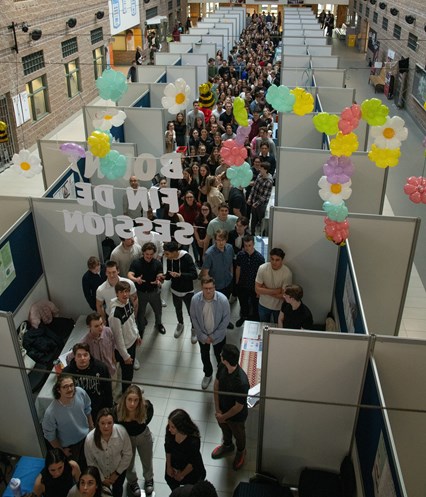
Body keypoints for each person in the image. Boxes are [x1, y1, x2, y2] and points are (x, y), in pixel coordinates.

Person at [211, 344, 249, 471]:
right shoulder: (222, 367)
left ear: (225, 359)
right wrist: (218, 410)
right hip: (221, 410)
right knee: (225, 430)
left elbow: (238, 407)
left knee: (239, 435)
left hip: (236, 417)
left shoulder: (242, 382)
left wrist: (224, 416)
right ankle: (227, 445)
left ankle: (241, 451)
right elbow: (216, 385)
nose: (220, 355)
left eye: (222, 354)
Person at [42, 374, 93, 466]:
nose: (69, 389)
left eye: (71, 385)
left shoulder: (80, 392)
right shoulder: (51, 412)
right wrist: (61, 451)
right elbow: (49, 435)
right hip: (71, 447)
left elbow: (87, 409)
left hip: (87, 436)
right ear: (58, 390)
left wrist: (91, 427)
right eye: (65, 387)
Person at [190, 277, 230, 390]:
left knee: (221, 357)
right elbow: (193, 318)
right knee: (204, 356)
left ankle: (222, 376)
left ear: (214, 287)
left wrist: (213, 336)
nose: (208, 291)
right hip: (203, 336)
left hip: (219, 336)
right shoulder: (195, 300)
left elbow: (226, 320)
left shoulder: (223, 300)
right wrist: (203, 336)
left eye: (211, 288)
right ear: (201, 288)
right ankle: (208, 374)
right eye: (205, 288)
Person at [115, 385, 154, 497]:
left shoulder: (146, 407)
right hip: (126, 439)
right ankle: (132, 482)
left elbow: (149, 417)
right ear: (125, 399)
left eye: (136, 400)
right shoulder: (118, 410)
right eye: (130, 400)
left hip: (143, 436)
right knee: (128, 462)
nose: (132, 404)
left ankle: (149, 478)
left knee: (147, 459)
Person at [84, 408, 133, 497]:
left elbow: (128, 454)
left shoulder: (122, 432)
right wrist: (102, 479)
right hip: (99, 473)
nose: (106, 426)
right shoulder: (89, 439)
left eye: (109, 423)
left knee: (118, 489)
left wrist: (117, 473)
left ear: (113, 423)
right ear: (98, 423)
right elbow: (91, 461)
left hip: (119, 470)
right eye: (102, 423)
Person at [63, 343, 113, 421]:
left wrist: (109, 410)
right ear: (74, 357)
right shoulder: (66, 373)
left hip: (98, 410)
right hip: (77, 411)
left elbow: (108, 391)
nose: (82, 358)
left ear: (89, 356)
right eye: (79, 356)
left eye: (85, 355)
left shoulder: (101, 368)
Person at [109, 281, 142, 393]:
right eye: (121, 292)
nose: (125, 294)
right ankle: (126, 393)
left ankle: (129, 388)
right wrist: (125, 355)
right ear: (116, 293)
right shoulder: (115, 315)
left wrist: (137, 335)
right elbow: (117, 338)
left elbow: (132, 321)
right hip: (124, 348)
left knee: (130, 371)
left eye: (127, 291)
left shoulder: (128, 303)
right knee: (127, 373)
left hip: (132, 343)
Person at [128, 242, 166, 336]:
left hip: (154, 292)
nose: (149, 256)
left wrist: (159, 280)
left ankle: (159, 324)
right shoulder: (136, 263)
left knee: (158, 310)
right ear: (143, 253)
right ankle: (141, 328)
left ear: (154, 254)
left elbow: (160, 275)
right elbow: (129, 274)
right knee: (141, 313)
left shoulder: (157, 263)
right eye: (147, 254)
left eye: (151, 254)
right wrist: (136, 279)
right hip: (141, 293)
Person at [164, 409, 206, 490]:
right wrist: (169, 466)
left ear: (181, 427)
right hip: (175, 463)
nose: (169, 429)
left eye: (172, 427)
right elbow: (168, 449)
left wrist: (182, 474)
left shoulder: (193, 441)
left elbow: (193, 461)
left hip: (190, 470)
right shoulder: (170, 432)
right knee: (171, 481)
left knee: (192, 489)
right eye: (169, 425)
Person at [163, 241, 198, 338]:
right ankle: (180, 323)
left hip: (187, 291)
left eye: (167, 254)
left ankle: (194, 328)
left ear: (174, 252)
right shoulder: (170, 259)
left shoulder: (187, 257)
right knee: (178, 309)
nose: (166, 256)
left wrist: (180, 275)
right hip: (175, 290)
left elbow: (194, 275)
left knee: (192, 311)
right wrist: (162, 277)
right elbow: (169, 275)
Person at [255, 248, 293, 323]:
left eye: (277, 260)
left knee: (278, 328)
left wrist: (265, 290)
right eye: (272, 259)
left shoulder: (287, 273)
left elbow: (284, 296)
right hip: (263, 304)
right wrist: (277, 291)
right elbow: (257, 290)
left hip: (279, 307)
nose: (274, 262)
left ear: (282, 260)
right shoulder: (262, 268)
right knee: (263, 326)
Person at [96, 260, 138, 326]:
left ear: (118, 271)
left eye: (114, 272)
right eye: (109, 272)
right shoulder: (101, 289)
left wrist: (134, 315)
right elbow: (99, 305)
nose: (111, 275)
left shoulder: (129, 283)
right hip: (112, 318)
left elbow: (135, 300)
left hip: (128, 316)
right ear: (106, 273)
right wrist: (103, 320)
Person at [235, 235, 265, 327]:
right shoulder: (240, 255)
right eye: (245, 245)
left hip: (254, 286)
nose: (247, 248)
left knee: (255, 304)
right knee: (243, 303)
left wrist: (260, 289)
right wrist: (237, 282)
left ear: (253, 244)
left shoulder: (259, 258)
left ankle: (254, 319)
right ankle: (244, 316)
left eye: (249, 245)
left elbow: (262, 275)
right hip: (243, 284)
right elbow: (238, 268)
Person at [201, 229, 234, 299]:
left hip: (228, 283)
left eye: (223, 240)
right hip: (216, 287)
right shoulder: (209, 254)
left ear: (226, 239)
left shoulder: (230, 248)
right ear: (215, 240)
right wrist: (210, 288)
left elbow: (231, 263)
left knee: (226, 301)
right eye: (218, 240)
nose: (221, 243)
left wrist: (231, 275)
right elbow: (205, 274)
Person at [247, 162, 273, 235]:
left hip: (261, 205)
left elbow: (264, 196)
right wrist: (250, 198)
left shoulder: (269, 181)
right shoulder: (259, 176)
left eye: (261, 168)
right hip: (254, 202)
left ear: (266, 170)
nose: (259, 169)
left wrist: (256, 203)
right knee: (253, 220)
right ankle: (252, 233)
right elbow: (254, 188)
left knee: (261, 221)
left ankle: (261, 235)